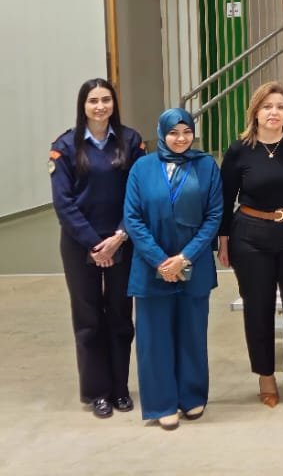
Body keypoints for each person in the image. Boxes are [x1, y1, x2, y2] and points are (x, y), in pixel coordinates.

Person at [218, 83, 283, 410]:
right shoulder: (239, 150)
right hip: (250, 237)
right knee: (258, 308)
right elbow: (224, 199)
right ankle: (265, 377)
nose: (274, 113)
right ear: (255, 111)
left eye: (280, 107)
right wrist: (223, 241)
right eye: (267, 107)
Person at [50, 78, 146, 418]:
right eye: (93, 101)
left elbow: (138, 193)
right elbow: (63, 203)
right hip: (81, 245)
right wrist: (94, 243)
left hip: (122, 240)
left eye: (106, 99)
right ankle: (97, 393)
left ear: (114, 104)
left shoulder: (130, 141)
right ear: (83, 106)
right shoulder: (64, 146)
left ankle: (120, 388)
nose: (100, 106)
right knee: (88, 319)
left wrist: (119, 235)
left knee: (120, 317)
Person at [123, 108, 222, 430]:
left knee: (192, 334)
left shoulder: (206, 166)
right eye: (173, 132)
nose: (180, 139)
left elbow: (214, 216)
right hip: (152, 267)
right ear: (161, 134)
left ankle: (192, 396)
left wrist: (185, 257)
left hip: (194, 264)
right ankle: (161, 403)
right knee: (154, 339)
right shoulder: (142, 168)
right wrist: (161, 261)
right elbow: (132, 218)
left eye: (186, 132)